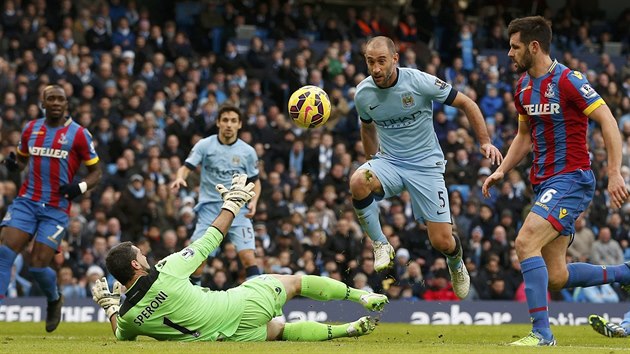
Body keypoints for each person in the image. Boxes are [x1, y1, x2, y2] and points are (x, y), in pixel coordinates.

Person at [93, 174, 388, 342]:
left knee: (281, 332)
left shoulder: (130, 315)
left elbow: (120, 334)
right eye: (140, 255)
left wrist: (109, 306)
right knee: (296, 283)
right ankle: (361, 297)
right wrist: (232, 204)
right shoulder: (167, 269)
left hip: (225, 340)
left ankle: (347, 330)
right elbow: (211, 238)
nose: (145, 255)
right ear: (135, 264)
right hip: (240, 305)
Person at [481, 16, 630, 346]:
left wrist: (614, 172)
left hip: (571, 179)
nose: (509, 53)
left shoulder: (569, 80)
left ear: (534, 47)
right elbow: (523, 135)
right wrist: (502, 169)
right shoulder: (522, 87)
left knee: (524, 242)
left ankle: (542, 333)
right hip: (544, 182)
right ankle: (625, 273)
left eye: (515, 46)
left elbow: (608, 120)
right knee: (557, 276)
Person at [350, 36, 503, 300]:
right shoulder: (363, 94)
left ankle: (456, 264)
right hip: (390, 162)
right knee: (358, 180)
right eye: (370, 62)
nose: (375, 68)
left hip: (425, 167)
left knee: (442, 241)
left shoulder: (419, 82)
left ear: (395, 59)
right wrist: (371, 160)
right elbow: (367, 126)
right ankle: (380, 243)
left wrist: (485, 142)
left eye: (382, 61)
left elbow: (468, 103)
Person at [0, 85, 102, 332]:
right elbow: (23, 158)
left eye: (61, 99)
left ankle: (54, 299)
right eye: (51, 99)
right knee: (4, 254)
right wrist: (15, 164)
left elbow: (97, 172)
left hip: (56, 209)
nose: (56, 103)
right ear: (43, 102)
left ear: (66, 104)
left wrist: (79, 188)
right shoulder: (31, 129)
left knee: (37, 265)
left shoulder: (79, 134)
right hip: (26, 202)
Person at [171, 106, 262, 283]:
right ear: (218, 122)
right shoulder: (205, 145)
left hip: (238, 209)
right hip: (210, 209)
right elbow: (186, 167)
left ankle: (260, 300)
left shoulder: (248, 152)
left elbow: (256, 181)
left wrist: (254, 201)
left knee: (248, 258)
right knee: (197, 260)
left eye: (233, 121)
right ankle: (193, 300)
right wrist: (180, 178)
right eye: (225, 120)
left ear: (239, 124)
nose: (229, 124)